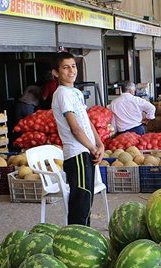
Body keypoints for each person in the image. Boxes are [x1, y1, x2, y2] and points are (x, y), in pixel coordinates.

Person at [51, 52, 104, 226]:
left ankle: (84, 240)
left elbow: (86, 121)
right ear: (56, 73)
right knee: (80, 205)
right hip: (77, 155)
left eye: (73, 66)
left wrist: (99, 144)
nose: (71, 70)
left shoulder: (75, 92)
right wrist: (92, 148)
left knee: (86, 202)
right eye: (65, 67)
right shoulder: (62, 94)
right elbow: (75, 128)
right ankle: (75, 242)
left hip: (85, 152)